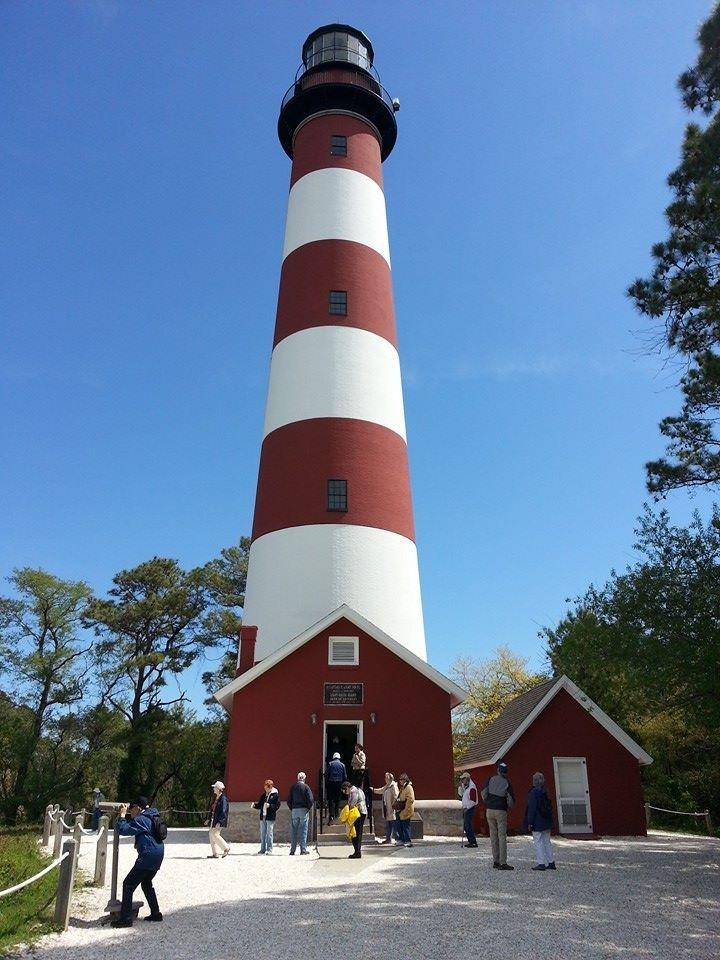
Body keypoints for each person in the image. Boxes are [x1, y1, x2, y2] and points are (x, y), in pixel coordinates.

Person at [113, 795, 164, 926]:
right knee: (146, 883)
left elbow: (123, 830)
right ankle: (156, 913)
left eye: (131, 809)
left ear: (137, 807)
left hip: (148, 855)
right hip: (158, 855)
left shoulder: (142, 819)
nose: (131, 812)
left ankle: (125, 919)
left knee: (128, 884)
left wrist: (122, 815)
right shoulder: (153, 816)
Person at [481, 761, 515, 870]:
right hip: (501, 811)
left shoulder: (490, 779)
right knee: (502, 836)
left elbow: (483, 794)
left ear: (498, 770)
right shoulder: (507, 783)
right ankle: (503, 862)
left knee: (493, 836)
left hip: (489, 810)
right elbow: (511, 801)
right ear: (506, 772)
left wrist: (488, 802)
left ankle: (495, 860)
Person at [522, 771, 556, 871]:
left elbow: (531, 809)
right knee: (547, 842)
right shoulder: (545, 791)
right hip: (546, 819)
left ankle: (541, 863)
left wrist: (529, 822)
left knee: (538, 841)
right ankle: (551, 862)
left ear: (534, 781)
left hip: (537, 821)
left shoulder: (533, 793)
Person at [287, 772, 314, 855]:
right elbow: (310, 799)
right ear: (304, 778)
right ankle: (303, 849)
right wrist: (308, 808)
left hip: (294, 810)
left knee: (294, 830)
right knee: (303, 830)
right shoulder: (306, 787)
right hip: (303, 809)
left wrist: (292, 808)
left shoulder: (293, 787)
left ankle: (292, 850)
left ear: (297, 778)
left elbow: (289, 800)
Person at [251, 779, 280, 854]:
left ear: (270, 787)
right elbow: (260, 805)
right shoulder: (264, 795)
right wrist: (254, 805)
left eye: (267, 788)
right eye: (265, 788)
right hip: (263, 816)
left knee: (269, 833)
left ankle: (269, 849)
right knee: (263, 833)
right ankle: (262, 849)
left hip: (270, 817)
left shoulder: (275, 795)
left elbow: (277, 806)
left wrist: (270, 806)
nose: (265, 789)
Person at [342, 780, 367, 858]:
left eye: (344, 790)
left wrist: (347, 810)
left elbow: (352, 803)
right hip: (362, 812)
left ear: (347, 788)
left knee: (355, 833)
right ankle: (357, 851)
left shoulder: (353, 791)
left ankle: (357, 851)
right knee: (358, 832)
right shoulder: (358, 789)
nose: (345, 793)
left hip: (357, 813)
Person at [206, 780, 230, 859]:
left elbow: (223, 811)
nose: (213, 789)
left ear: (218, 789)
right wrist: (208, 819)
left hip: (218, 820)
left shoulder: (223, 799)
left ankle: (226, 848)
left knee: (215, 834)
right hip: (213, 820)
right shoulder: (216, 798)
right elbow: (212, 809)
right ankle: (215, 853)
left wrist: (220, 821)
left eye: (215, 787)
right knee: (211, 835)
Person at [373, 772, 399, 844]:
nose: (385, 779)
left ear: (390, 778)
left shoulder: (393, 786)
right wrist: (373, 790)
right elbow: (381, 790)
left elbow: (396, 796)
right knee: (388, 824)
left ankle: (399, 838)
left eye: (386, 778)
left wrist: (393, 805)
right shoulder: (387, 785)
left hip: (392, 808)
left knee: (394, 824)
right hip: (387, 808)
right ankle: (388, 839)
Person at [458, 772, 479, 848]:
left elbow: (473, 801)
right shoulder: (466, 787)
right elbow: (461, 794)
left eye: (463, 779)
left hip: (469, 809)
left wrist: (467, 808)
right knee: (466, 826)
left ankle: (473, 842)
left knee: (468, 825)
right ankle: (470, 841)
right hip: (466, 808)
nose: (462, 781)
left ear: (467, 779)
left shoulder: (472, 788)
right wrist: (460, 787)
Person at [394, 772, 415, 848]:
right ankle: (402, 840)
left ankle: (408, 841)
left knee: (406, 826)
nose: (400, 781)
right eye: (399, 780)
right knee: (399, 826)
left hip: (406, 809)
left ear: (405, 780)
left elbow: (411, 799)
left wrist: (406, 809)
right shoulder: (403, 787)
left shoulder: (409, 787)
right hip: (401, 810)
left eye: (401, 779)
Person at [326, 752, 346, 823]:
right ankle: (337, 812)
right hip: (339, 783)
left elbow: (327, 774)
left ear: (333, 757)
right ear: (339, 758)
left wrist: (327, 783)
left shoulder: (330, 764)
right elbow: (345, 776)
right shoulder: (342, 765)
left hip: (331, 782)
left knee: (331, 799)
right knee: (338, 798)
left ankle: (331, 814)